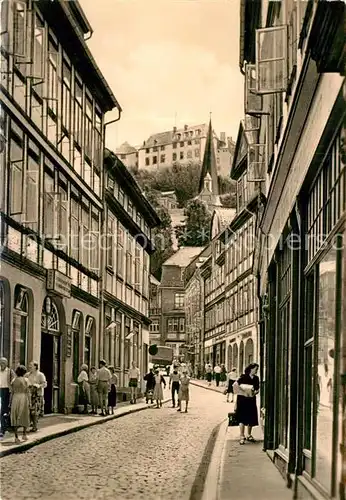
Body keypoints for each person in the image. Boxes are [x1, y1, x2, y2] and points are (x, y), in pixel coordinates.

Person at [235, 363, 260, 445]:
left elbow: (257, 388)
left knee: (251, 417)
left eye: (257, 369)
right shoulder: (243, 377)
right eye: (255, 369)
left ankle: (249, 434)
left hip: (251, 399)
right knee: (242, 417)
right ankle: (242, 436)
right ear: (251, 369)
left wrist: (256, 391)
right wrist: (242, 392)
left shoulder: (256, 378)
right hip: (242, 399)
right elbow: (236, 386)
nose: (256, 370)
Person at [10, 365, 30, 444]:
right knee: (24, 415)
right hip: (23, 398)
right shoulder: (26, 380)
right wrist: (30, 402)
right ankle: (24, 434)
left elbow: (12, 392)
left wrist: (10, 402)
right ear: (24, 372)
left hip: (15, 398)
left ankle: (16, 437)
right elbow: (28, 392)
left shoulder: (13, 380)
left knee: (15, 416)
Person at [0, 357, 15, 437]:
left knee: (3, 410)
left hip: (6, 391)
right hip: (0, 389)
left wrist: (12, 383)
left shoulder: (9, 371)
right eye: (0, 362)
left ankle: (3, 429)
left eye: (3, 363)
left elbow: (14, 379)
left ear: (6, 363)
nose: (1, 364)